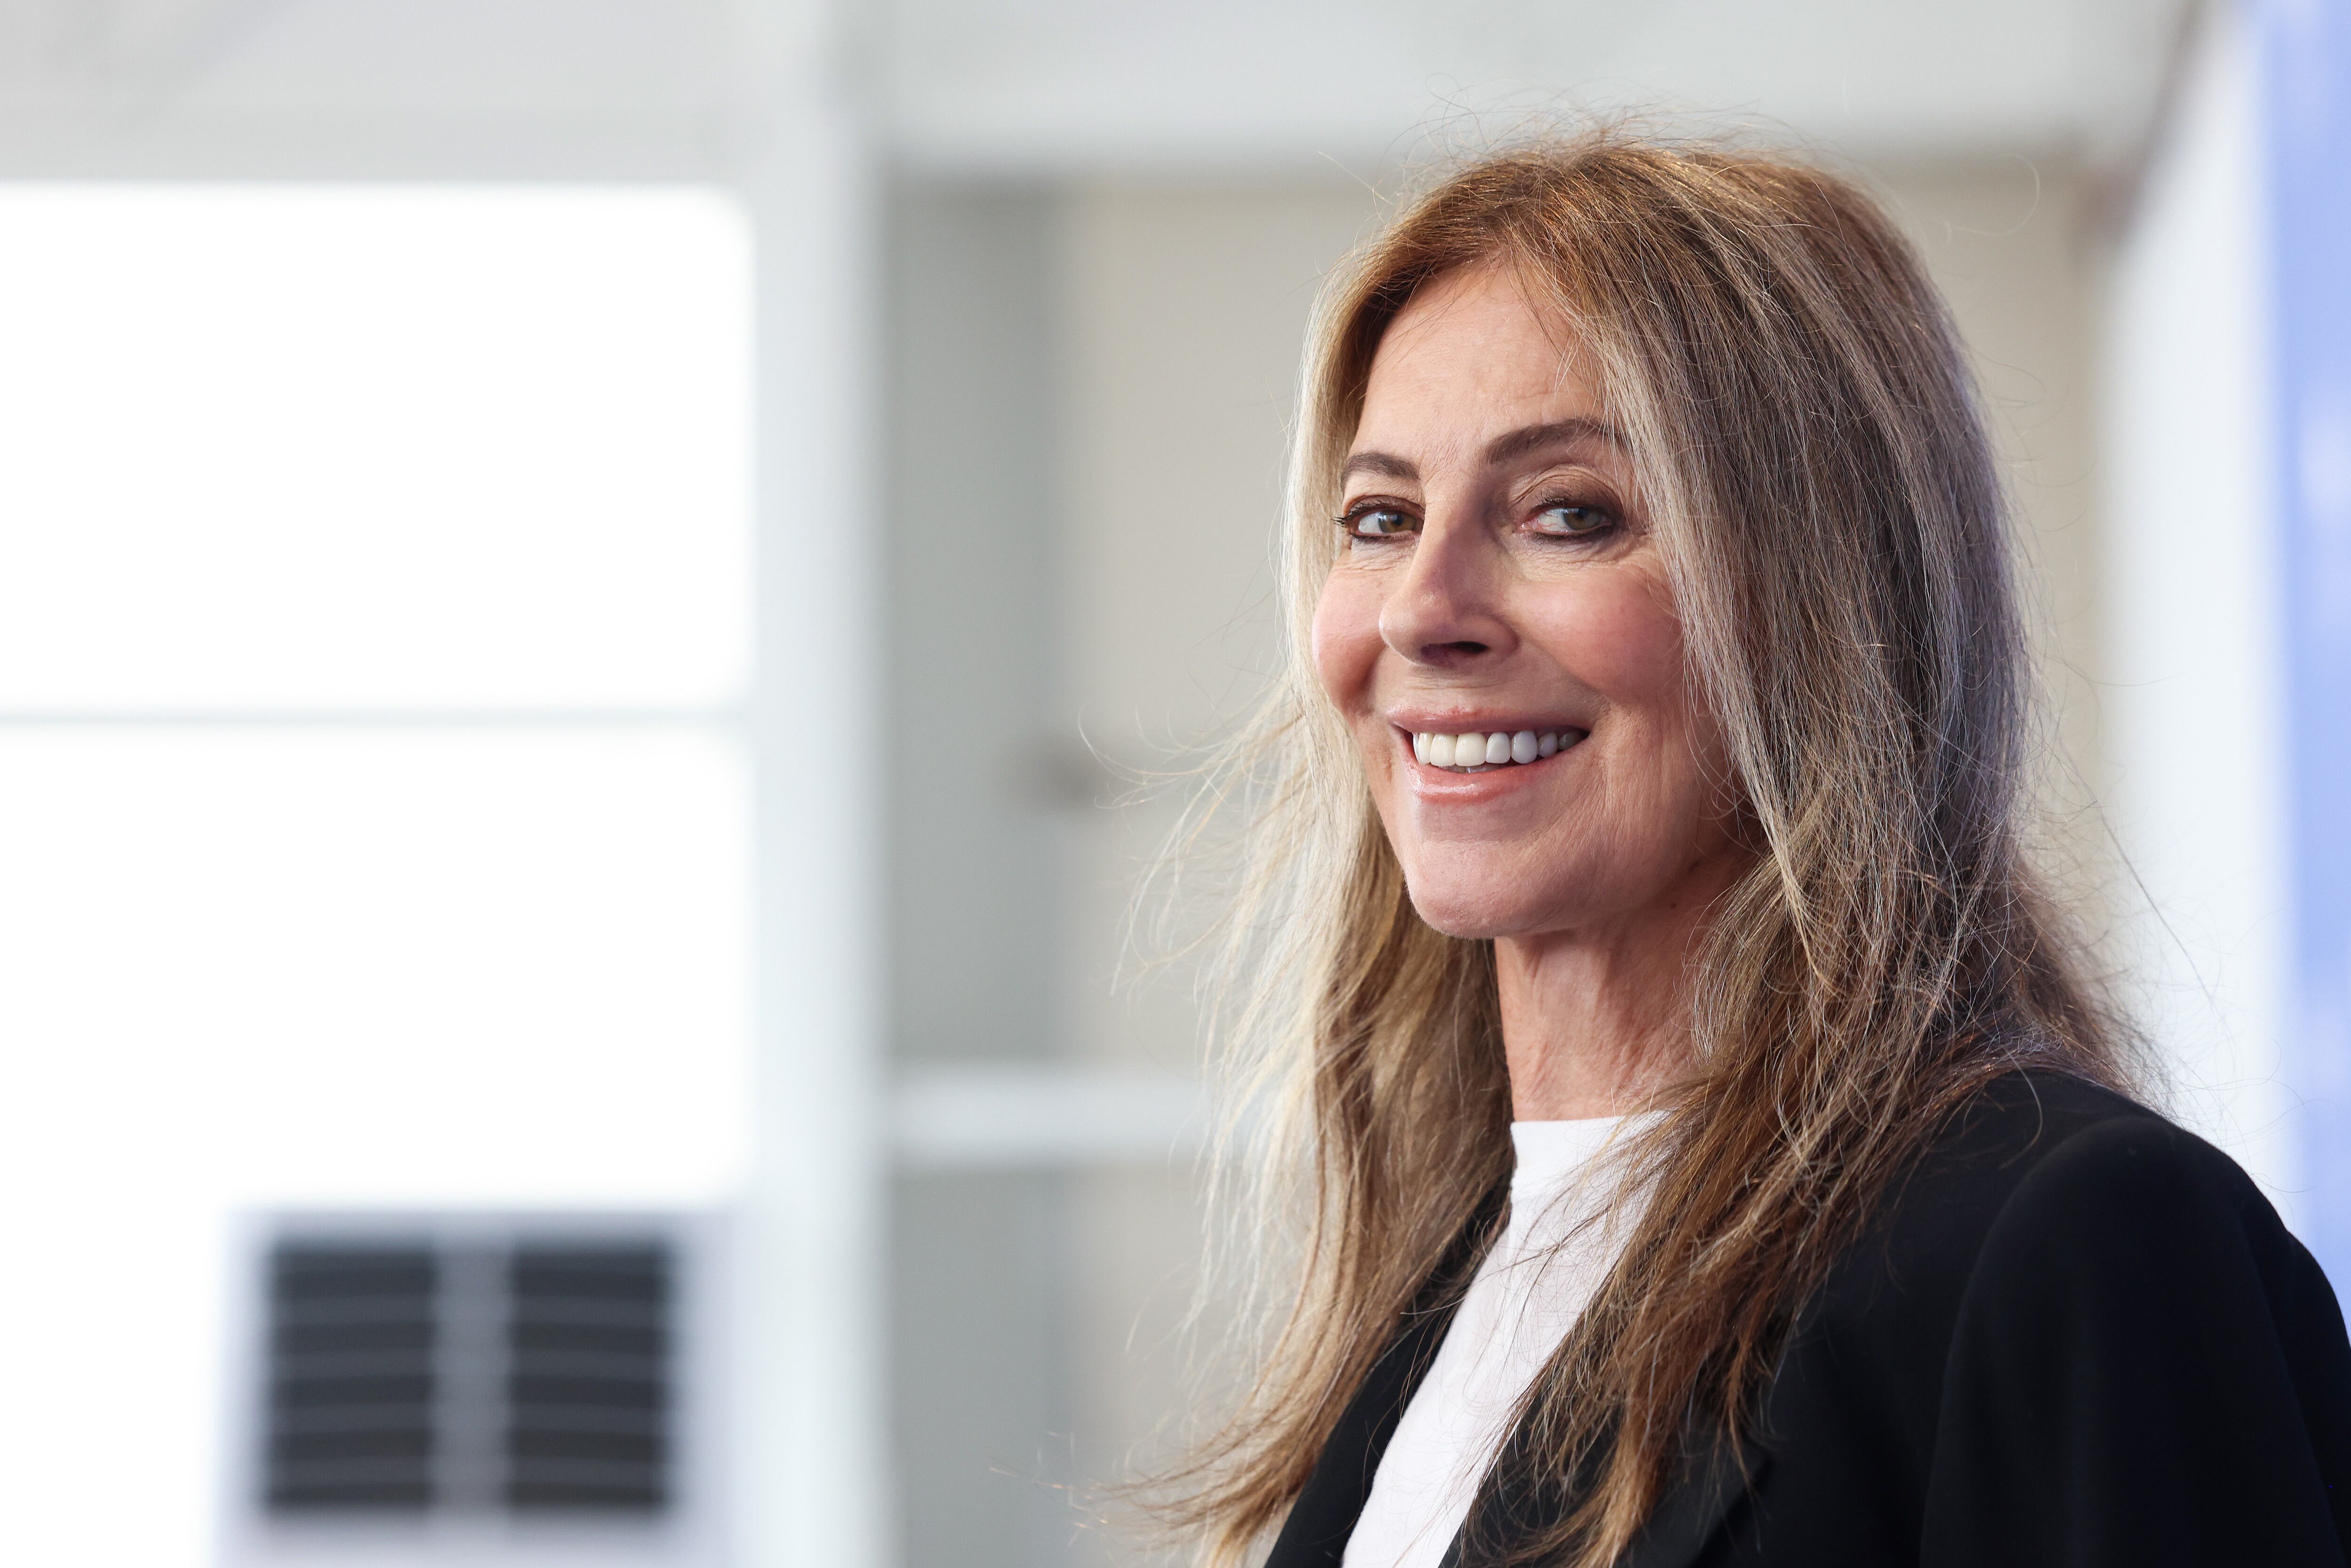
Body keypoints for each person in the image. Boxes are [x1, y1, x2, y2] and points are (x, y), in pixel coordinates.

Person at [1161, 135, 2351, 1568]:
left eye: (1568, 514)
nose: (1424, 610)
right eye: (1380, 518)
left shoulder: (2076, 1243)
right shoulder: (1465, 1283)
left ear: (1820, 595)